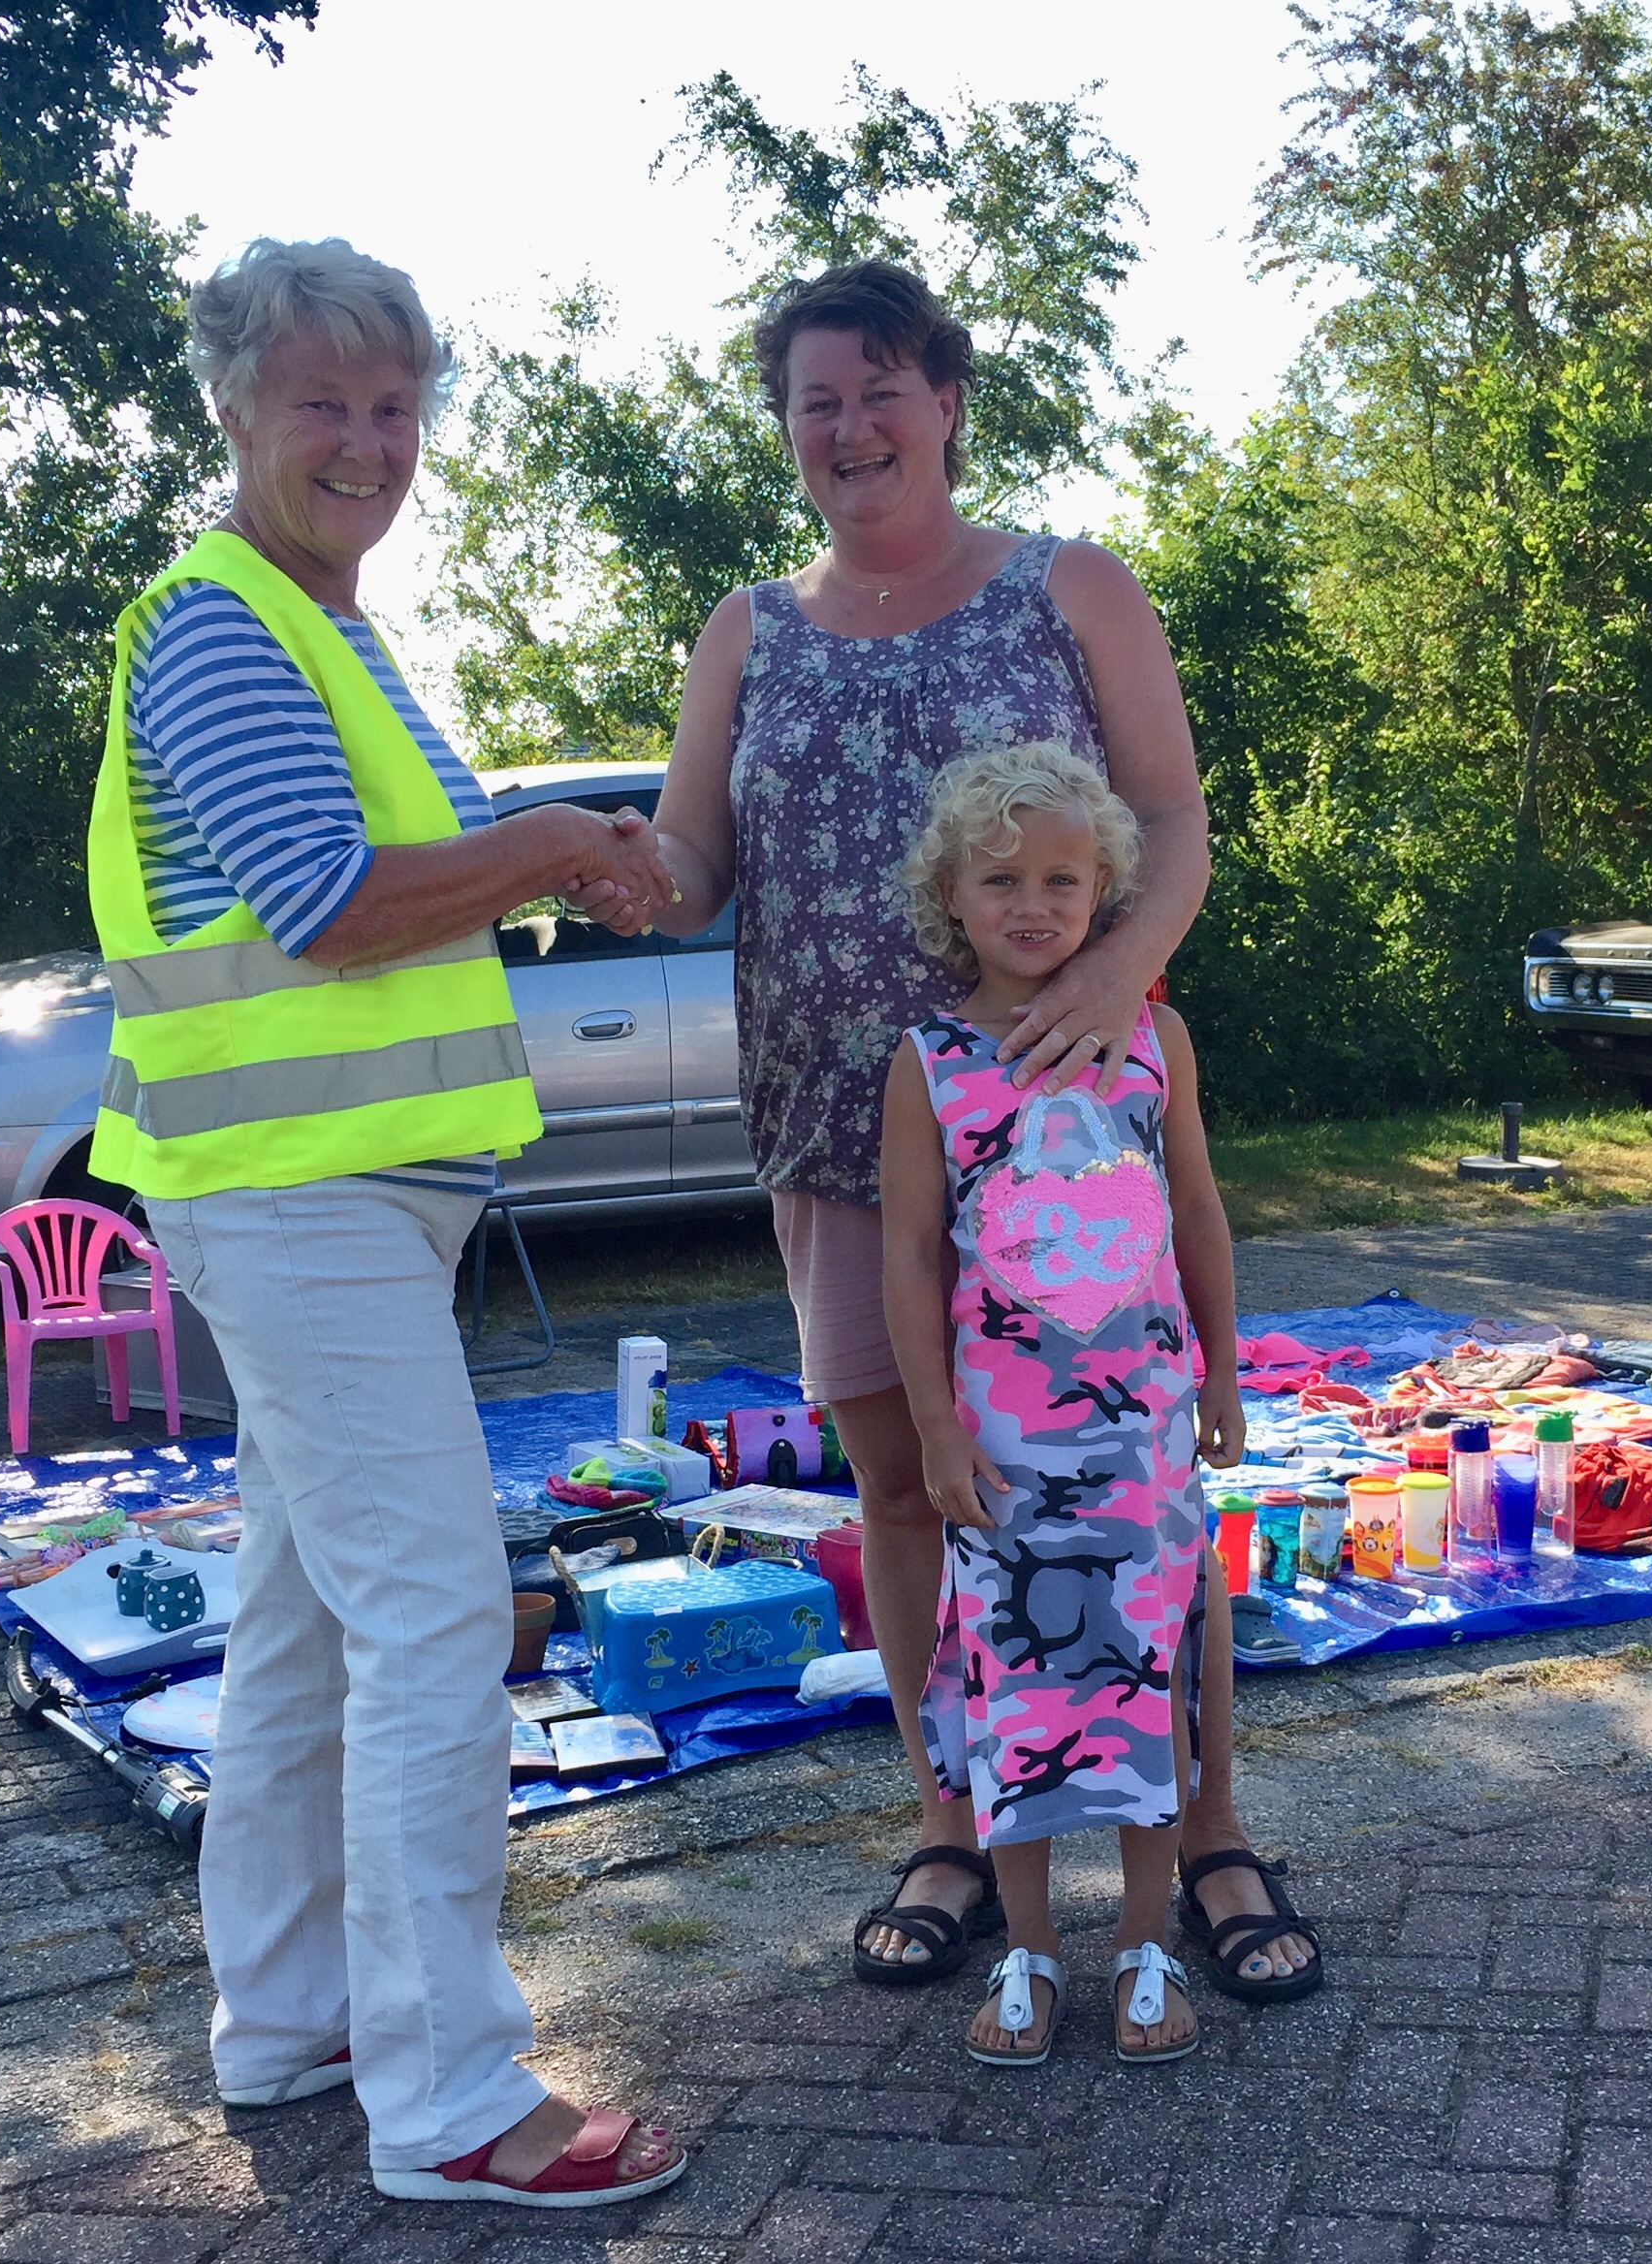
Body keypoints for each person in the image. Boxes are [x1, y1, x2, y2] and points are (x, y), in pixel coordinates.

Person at [619, 260, 1318, 2006]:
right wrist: (610, 873)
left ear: (942, 398)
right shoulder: (744, 627)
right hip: (840, 1130)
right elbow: (696, 860)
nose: (846, 428)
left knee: (1138, 1501)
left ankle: (1206, 1818)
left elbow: (1168, 814)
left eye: (876, 389)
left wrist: (1122, 983)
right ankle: (955, 1816)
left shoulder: (1066, 586)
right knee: (913, 1493)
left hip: (1066, 1139)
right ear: (785, 434)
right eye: (810, 404)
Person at [87, 238, 683, 2207]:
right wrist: (545, 845)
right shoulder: (218, 624)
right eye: (322, 401)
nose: (366, 439)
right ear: (233, 412)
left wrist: (541, 861)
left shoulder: (318, 629)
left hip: (342, 1199)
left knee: (301, 1631)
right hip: (296, 1201)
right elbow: (334, 901)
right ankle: (450, 2103)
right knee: (438, 1615)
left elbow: (379, 894)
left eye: (395, 403)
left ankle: (285, 2027)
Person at [878, 744, 1238, 2065]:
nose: (1036, 903)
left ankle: (1147, 1945)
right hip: (1004, 1452)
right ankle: (1028, 1954)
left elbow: (1193, 1206)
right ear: (954, 897)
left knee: (1146, 1678)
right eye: (1004, 878)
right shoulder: (929, 1065)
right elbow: (908, 1255)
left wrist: (1226, 1363)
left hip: (1140, 1433)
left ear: (1107, 891)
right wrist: (931, 1424)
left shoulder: (1154, 1040)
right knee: (1020, 1684)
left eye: (1065, 879)